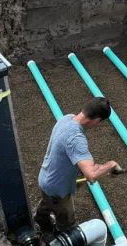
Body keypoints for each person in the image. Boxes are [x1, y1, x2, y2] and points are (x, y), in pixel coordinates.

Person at [36, 96, 119, 234]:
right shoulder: (76, 140)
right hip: (58, 190)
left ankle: (40, 220)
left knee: (47, 202)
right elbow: (91, 176)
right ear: (97, 121)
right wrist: (110, 165)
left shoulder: (66, 118)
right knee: (67, 223)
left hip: (45, 179)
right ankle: (60, 240)